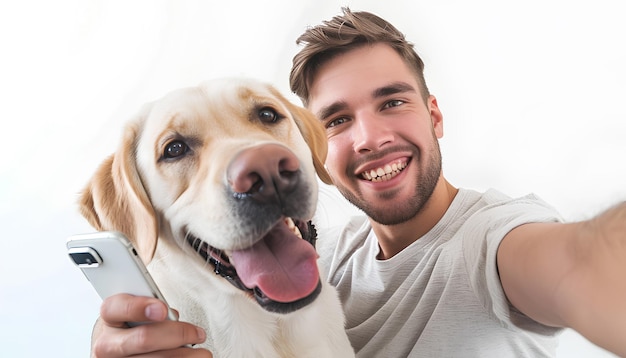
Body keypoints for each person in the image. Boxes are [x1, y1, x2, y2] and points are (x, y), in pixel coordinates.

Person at [89, 8, 626, 358]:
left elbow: (580, 263)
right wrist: (125, 335)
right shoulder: (330, 260)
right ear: (320, 143)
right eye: (339, 120)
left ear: (435, 116)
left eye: (392, 101)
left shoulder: (494, 241)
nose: (370, 138)